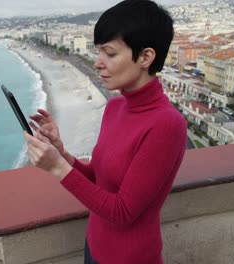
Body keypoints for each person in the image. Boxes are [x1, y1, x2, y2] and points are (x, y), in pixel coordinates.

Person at [24, 0, 186, 263]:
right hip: (94, 246)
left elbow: (123, 211)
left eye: (109, 54)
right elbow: (99, 179)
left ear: (146, 57)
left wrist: (57, 168)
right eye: (99, 52)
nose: (98, 63)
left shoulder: (167, 124)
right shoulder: (116, 106)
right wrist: (61, 153)